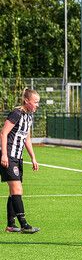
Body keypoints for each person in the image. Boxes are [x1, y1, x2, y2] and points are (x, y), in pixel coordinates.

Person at [2, 89, 41, 234]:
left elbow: (27, 138)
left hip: (18, 158)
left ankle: (11, 225)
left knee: (14, 192)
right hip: (9, 156)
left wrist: (33, 157)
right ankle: (24, 224)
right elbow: (4, 133)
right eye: (35, 102)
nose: (37, 105)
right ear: (26, 101)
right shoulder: (16, 113)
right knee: (17, 190)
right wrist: (4, 155)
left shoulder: (29, 116)